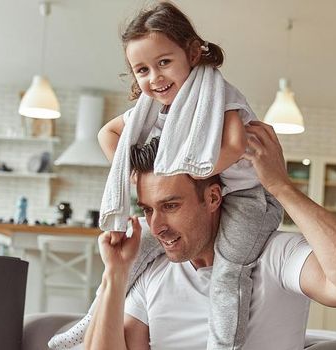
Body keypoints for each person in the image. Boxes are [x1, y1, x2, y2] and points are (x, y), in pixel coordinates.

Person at [49, 3, 280, 349]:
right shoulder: (154, 111)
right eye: (141, 70)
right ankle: (88, 321)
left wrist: (182, 173)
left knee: (230, 272)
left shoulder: (219, 96)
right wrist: (137, 178)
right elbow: (106, 135)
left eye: (164, 63)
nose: (154, 78)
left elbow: (233, 146)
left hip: (246, 199)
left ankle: (222, 344)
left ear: (191, 52)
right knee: (133, 258)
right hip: (195, 198)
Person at [86, 121, 336, 349]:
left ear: (213, 198)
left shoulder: (275, 255)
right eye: (148, 209)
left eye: (171, 206)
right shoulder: (154, 269)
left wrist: (281, 187)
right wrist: (115, 274)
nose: (157, 224)